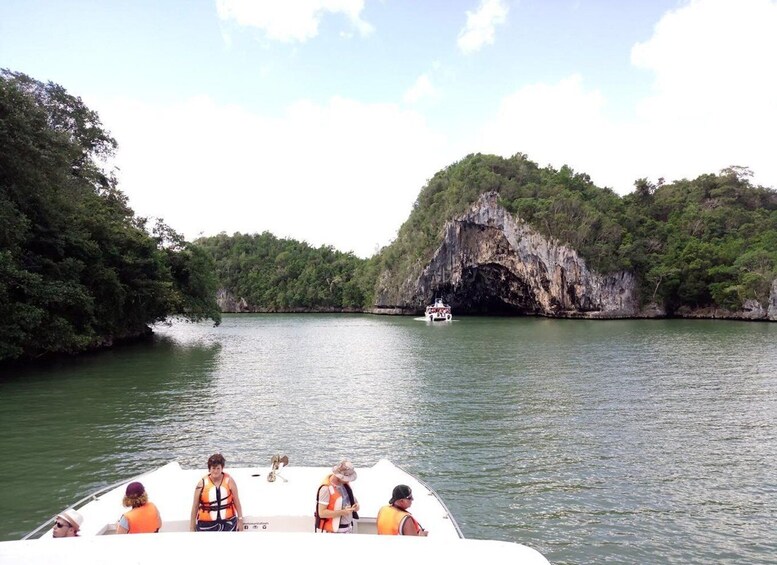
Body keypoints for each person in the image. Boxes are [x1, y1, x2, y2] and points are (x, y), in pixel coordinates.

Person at [190, 453, 244, 532]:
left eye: (218, 468)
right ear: (209, 469)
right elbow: (195, 506)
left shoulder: (230, 481)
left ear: (222, 468)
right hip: (206, 524)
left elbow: (236, 501)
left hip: (228, 522)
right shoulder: (201, 484)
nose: (216, 471)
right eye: (213, 468)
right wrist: (192, 526)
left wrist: (240, 519)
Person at [315, 459, 360, 533]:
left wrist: (356, 506)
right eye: (347, 478)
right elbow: (322, 513)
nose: (348, 481)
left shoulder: (345, 485)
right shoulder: (325, 489)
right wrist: (343, 512)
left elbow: (355, 502)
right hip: (335, 531)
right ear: (339, 476)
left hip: (349, 527)